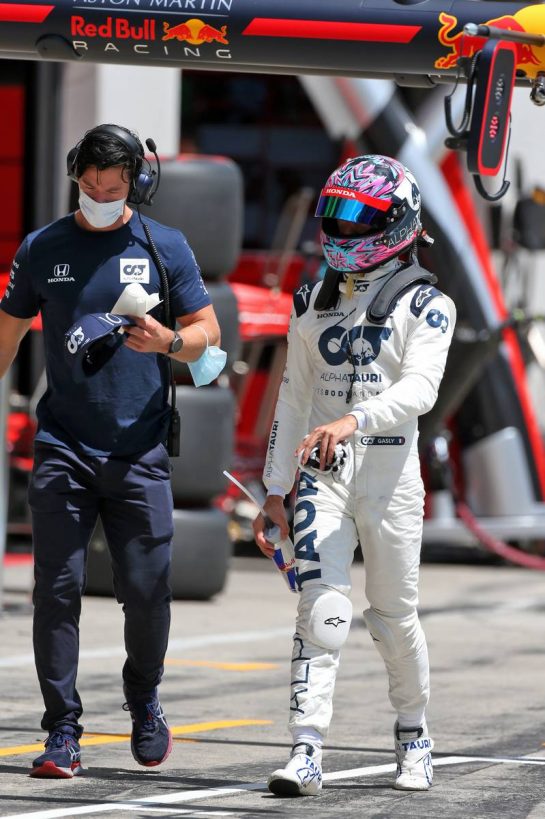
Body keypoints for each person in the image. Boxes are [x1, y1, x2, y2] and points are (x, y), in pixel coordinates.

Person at [0, 124, 221, 778]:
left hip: (139, 447)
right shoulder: (43, 247)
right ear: (76, 174)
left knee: (148, 590)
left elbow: (207, 334)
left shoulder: (165, 245)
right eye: (90, 183)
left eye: (113, 185)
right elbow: (8, 332)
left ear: (137, 184)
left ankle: (144, 699)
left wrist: (169, 344)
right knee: (55, 589)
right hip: (62, 442)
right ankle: (62, 729)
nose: (99, 194)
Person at [253, 154, 456, 796]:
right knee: (323, 610)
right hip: (323, 474)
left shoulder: (428, 303)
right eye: (335, 214)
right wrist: (274, 488)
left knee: (393, 615)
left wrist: (354, 419)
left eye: (357, 217)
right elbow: (292, 393)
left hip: (392, 473)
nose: (341, 228)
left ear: (396, 222)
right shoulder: (311, 298)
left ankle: (414, 733)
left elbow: (421, 390)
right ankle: (306, 749)